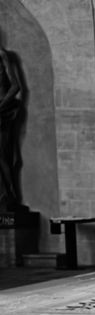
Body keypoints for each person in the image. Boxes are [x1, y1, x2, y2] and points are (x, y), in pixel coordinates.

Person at [0, 45, 22, 210]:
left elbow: (16, 86)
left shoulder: (2, 56)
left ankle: (9, 196)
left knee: (2, 155)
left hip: (4, 111)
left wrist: (1, 106)